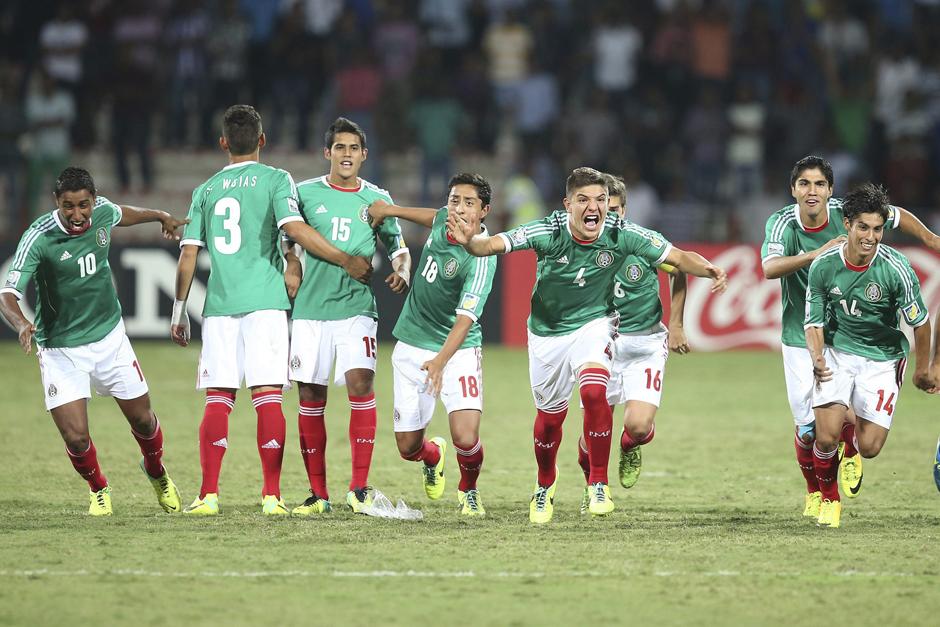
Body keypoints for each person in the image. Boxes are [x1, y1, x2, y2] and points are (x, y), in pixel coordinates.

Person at [448, 166, 727, 524]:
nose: (593, 207)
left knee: (595, 392)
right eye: (583, 200)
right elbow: (490, 246)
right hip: (548, 334)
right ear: (568, 205)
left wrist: (710, 269)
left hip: (595, 324)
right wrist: (471, 241)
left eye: (600, 200)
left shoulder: (621, 233)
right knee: (550, 421)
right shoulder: (548, 231)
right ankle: (544, 483)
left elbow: (678, 257)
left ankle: (598, 483)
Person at [171, 105, 371, 516]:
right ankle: (272, 496)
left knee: (218, 397)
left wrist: (178, 310)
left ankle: (208, 495)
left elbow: (188, 255)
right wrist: (340, 258)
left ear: (223, 143)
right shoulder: (277, 179)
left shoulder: (205, 189)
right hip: (266, 303)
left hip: (220, 306)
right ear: (262, 140)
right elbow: (293, 230)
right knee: (267, 398)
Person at [0, 166, 187, 516]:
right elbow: (7, 293)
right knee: (76, 438)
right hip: (60, 348)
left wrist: (160, 215)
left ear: (93, 200)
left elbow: (123, 214)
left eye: (83, 205)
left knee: (144, 421)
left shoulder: (102, 212)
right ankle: (98, 487)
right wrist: (22, 323)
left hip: (109, 338)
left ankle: (156, 471)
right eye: (68, 206)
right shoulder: (38, 237)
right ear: (56, 202)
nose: (77, 214)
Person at [761, 156, 940, 519]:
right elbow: (769, 268)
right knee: (809, 429)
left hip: (841, 335)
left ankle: (852, 444)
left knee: (841, 430)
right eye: (804, 184)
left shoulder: (855, 214)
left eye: (820, 184)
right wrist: (815, 254)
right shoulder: (783, 223)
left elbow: (897, 216)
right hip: (800, 331)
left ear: (831, 190)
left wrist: (929, 238)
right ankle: (819, 494)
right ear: (793, 190)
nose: (812, 191)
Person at [288, 117, 411, 516]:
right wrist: (292, 262)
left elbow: (398, 247)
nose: (346, 154)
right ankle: (318, 494)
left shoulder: (376, 199)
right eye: (339, 147)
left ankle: (358, 488)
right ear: (328, 152)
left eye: (353, 148)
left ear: (364, 155)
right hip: (310, 309)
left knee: (360, 384)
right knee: (311, 395)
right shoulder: (304, 193)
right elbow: (286, 237)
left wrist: (403, 269)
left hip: (357, 308)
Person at [805, 182, 934, 528]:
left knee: (871, 446)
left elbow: (921, 323)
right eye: (863, 227)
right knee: (825, 435)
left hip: (883, 357)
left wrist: (923, 369)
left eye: (878, 229)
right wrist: (817, 357)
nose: (871, 237)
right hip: (837, 350)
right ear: (847, 224)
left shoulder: (896, 268)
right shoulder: (823, 266)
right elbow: (813, 322)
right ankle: (830, 499)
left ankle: (851, 436)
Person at [368, 173, 496, 517]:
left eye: (469, 203)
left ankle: (468, 490)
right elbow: (431, 216)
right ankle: (433, 456)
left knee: (466, 438)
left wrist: (440, 361)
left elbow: (465, 318)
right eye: (454, 200)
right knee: (408, 447)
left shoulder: (482, 256)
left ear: (484, 211)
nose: (459, 209)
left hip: (458, 351)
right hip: (412, 344)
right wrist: (390, 210)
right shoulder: (444, 221)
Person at [575, 174, 689, 513]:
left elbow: (678, 269)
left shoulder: (641, 243)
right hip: (601, 344)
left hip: (645, 344)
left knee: (638, 427)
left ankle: (630, 445)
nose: (606, 215)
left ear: (624, 210)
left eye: (613, 209)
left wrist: (676, 324)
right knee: (590, 437)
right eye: (600, 207)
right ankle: (595, 487)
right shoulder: (581, 244)